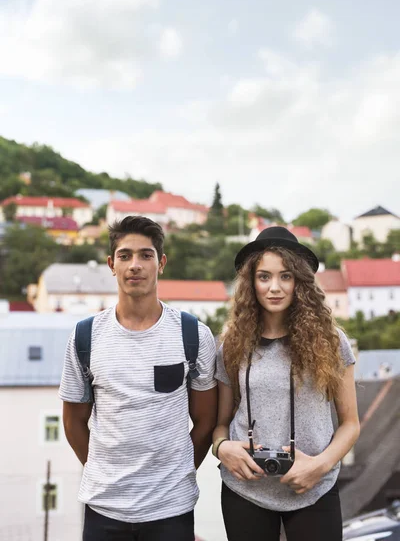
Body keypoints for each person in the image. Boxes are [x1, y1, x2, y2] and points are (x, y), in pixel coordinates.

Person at [59, 216, 218, 541]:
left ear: (161, 263)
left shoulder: (193, 334)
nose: (135, 265)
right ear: (111, 264)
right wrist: (106, 474)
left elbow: (205, 422)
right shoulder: (85, 336)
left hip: (170, 510)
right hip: (103, 508)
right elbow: (74, 421)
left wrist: (177, 475)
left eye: (145, 255)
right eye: (125, 255)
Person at [212, 226, 360, 541]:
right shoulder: (232, 345)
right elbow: (220, 424)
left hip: (314, 488)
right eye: (264, 276)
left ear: (300, 283)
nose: (274, 287)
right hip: (245, 490)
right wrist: (222, 448)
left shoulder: (331, 342)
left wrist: (319, 465)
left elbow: (351, 424)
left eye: (286, 276)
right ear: (251, 283)